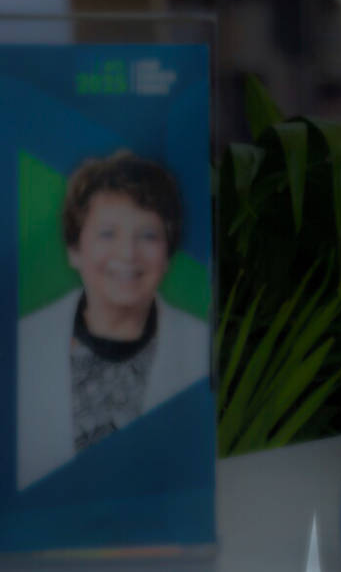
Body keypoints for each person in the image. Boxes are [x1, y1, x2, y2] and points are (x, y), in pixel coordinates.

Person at [15, 151, 210, 491]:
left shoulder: (204, 348)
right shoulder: (20, 345)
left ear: (168, 254)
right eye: (108, 234)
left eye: (148, 235)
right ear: (75, 249)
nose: (127, 253)